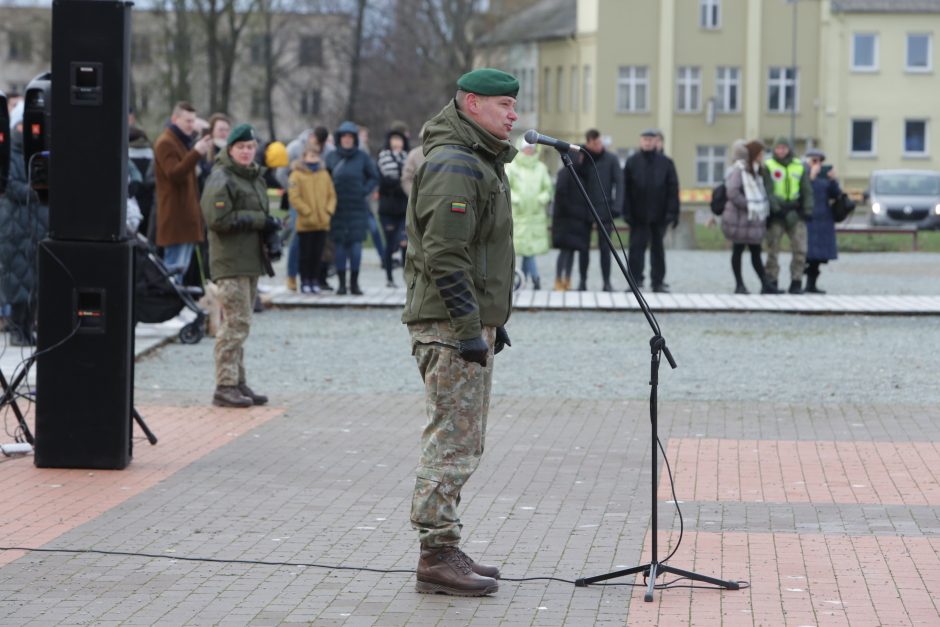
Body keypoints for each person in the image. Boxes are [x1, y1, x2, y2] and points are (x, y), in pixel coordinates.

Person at [402, 67, 519, 597]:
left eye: (515, 105)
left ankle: (444, 545)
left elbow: (477, 252)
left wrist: (491, 321)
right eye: (504, 105)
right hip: (450, 326)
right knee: (452, 441)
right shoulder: (455, 162)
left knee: (461, 438)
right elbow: (445, 254)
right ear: (472, 104)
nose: (514, 114)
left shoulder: (476, 158)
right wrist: (472, 327)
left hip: (463, 323)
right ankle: (436, 554)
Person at [200, 124, 280, 408]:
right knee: (235, 323)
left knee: (242, 322)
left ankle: (237, 380)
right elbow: (217, 219)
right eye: (241, 148)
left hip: (250, 260)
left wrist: (271, 231)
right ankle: (224, 385)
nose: (246, 152)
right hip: (230, 262)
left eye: (250, 147)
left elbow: (259, 215)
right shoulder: (222, 177)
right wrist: (260, 221)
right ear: (230, 149)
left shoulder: (254, 177)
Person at [0, 106, 48, 346]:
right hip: (15, 228)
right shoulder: (9, 154)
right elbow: (10, 185)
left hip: (36, 226)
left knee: (35, 282)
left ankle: (28, 328)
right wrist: (34, 191)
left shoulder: (38, 152)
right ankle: (18, 329)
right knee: (19, 282)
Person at [153, 101, 213, 282]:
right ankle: (169, 308)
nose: (191, 125)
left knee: (181, 268)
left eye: (193, 121)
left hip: (185, 217)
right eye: (187, 121)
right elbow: (174, 174)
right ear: (174, 119)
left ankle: (175, 307)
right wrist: (195, 153)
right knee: (173, 271)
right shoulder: (166, 142)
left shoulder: (182, 142)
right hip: (175, 218)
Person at [325, 121, 380, 295]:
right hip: (338, 207)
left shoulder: (363, 157)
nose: (347, 140)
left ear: (354, 139)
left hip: (357, 207)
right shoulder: (332, 157)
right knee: (340, 245)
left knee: (356, 246)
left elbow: (374, 177)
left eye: (350, 137)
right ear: (339, 139)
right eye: (344, 137)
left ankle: (354, 284)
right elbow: (324, 179)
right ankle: (341, 284)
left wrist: (364, 191)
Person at [623, 128, 679, 293]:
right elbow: (625, 189)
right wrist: (626, 211)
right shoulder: (632, 162)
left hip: (659, 215)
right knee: (635, 250)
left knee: (658, 251)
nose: (647, 142)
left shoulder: (666, 163)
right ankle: (634, 281)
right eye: (644, 139)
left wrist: (672, 213)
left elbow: (673, 189)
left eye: (650, 139)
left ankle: (658, 282)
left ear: (656, 142)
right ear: (640, 141)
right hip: (637, 215)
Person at [721, 140, 774, 294]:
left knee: (756, 252)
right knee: (738, 250)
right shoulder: (739, 171)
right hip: (739, 220)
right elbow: (732, 192)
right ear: (753, 155)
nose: (763, 156)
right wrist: (749, 204)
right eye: (760, 153)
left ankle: (765, 284)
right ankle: (739, 285)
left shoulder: (756, 171)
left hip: (751, 221)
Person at [765, 136, 813, 294]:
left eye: (784, 148)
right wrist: (776, 208)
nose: (781, 151)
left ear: (789, 149)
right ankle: (772, 280)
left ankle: (796, 281)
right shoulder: (769, 166)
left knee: (800, 249)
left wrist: (807, 210)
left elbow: (806, 190)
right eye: (778, 148)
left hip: (795, 210)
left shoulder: (799, 166)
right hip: (776, 213)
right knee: (773, 249)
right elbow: (768, 190)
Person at [578, 129, 623, 291]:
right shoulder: (582, 157)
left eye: (600, 142)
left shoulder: (611, 159)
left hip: (605, 209)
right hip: (584, 209)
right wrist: (580, 158)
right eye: (595, 143)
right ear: (588, 143)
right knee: (583, 248)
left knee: (606, 248)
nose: (599, 146)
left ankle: (606, 282)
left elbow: (620, 183)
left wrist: (617, 206)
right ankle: (582, 281)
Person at [288, 142, 336, 294]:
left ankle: (315, 280)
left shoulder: (324, 174)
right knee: (306, 254)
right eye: (310, 155)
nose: (313, 158)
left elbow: (331, 195)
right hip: (306, 222)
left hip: (322, 222)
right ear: (304, 157)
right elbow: (294, 197)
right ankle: (305, 281)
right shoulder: (296, 174)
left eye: (316, 155)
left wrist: (328, 211)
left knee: (318, 254)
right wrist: (306, 211)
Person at [505, 136, 551, 290]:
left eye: (531, 148)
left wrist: (541, 199)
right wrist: (516, 199)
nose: (529, 151)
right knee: (525, 249)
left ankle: (521, 281)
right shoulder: (512, 167)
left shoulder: (541, 168)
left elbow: (548, 189)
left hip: (535, 215)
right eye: (526, 148)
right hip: (519, 215)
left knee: (528, 250)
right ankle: (534, 278)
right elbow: (506, 186)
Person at [804, 148, 842, 294]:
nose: (818, 164)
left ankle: (812, 284)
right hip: (809, 218)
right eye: (814, 160)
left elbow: (835, 194)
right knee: (806, 253)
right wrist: (811, 177)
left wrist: (833, 180)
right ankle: (799, 283)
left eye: (820, 161)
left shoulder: (825, 177)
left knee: (819, 256)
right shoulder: (804, 173)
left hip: (824, 218)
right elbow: (803, 191)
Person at [376, 128, 410, 287]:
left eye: (400, 139)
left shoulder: (408, 158)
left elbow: (410, 179)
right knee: (390, 244)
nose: (397, 143)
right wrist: (400, 184)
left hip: (404, 207)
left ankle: (406, 277)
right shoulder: (382, 158)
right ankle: (389, 277)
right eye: (394, 139)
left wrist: (401, 184)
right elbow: (383, 183)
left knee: (405, 242)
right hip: (387, 209)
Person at [551, 165, 592, 291]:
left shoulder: (579, 173)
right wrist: (570, 210)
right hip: (566, 220)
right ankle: (558, 279)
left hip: (575, 220)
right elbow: (560, 195)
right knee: (564, 251)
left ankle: (567, 279)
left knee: (572, 251)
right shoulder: (565, 173)